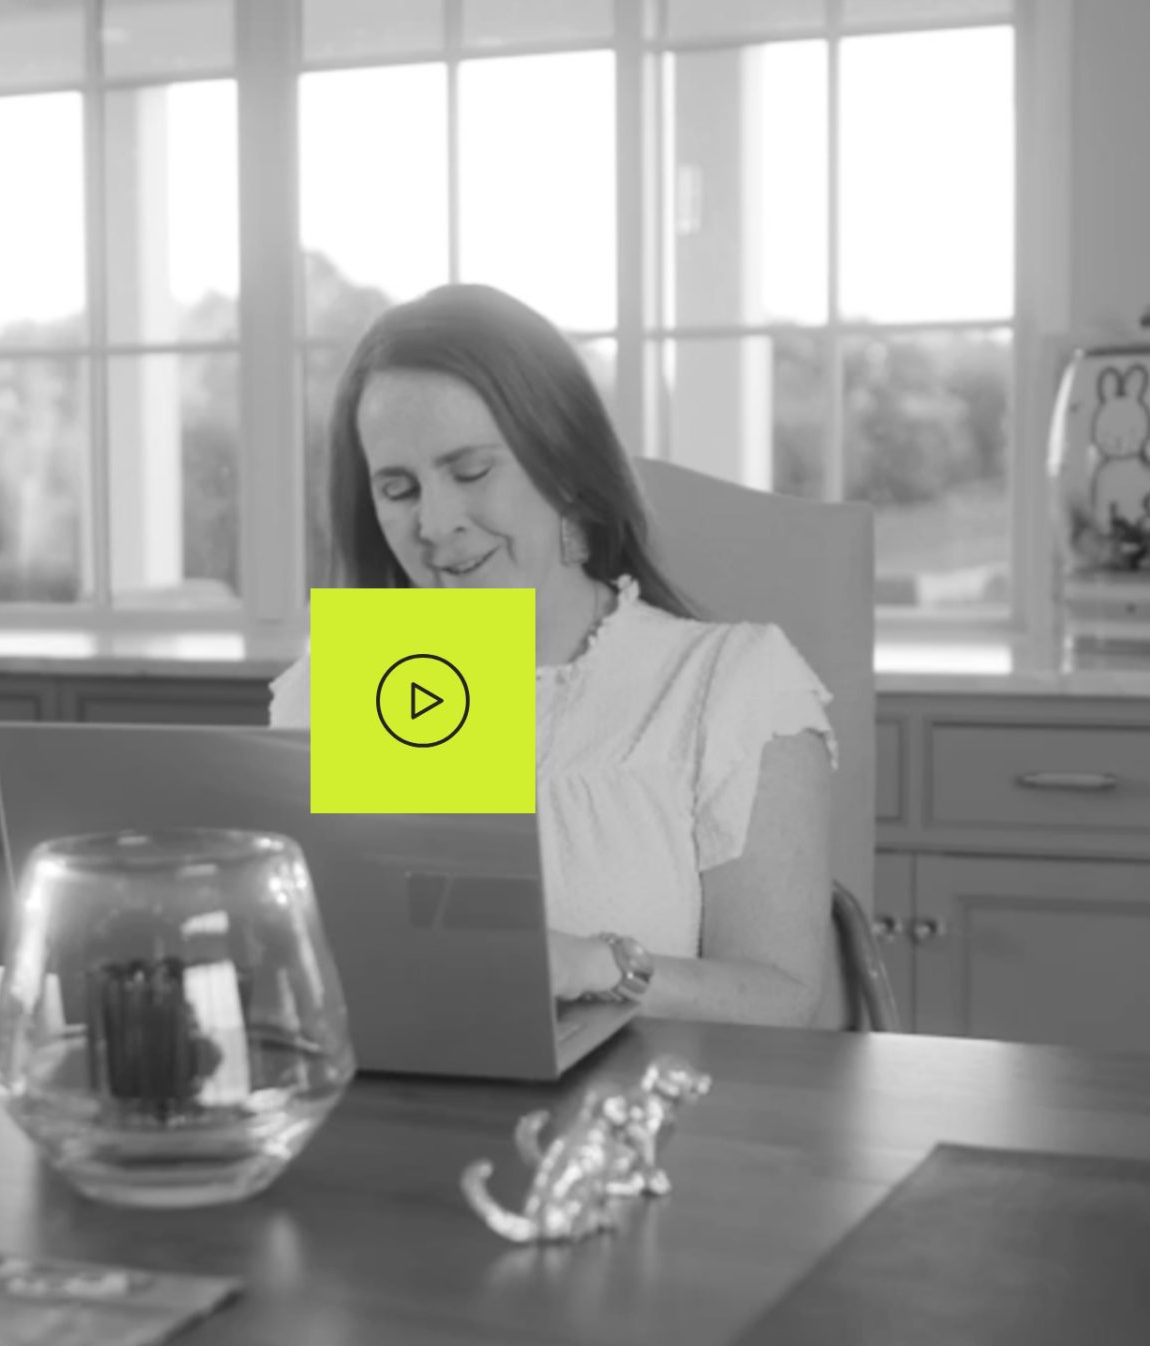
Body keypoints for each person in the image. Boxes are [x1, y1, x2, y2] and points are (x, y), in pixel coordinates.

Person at [268, 284, 845, 1028]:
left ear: (566, 466)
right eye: (398, 488)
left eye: (472, 472)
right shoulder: (351, 683)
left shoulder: (730, 684)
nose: (437, 524)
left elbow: (785, 997)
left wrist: (594, 966)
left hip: (655, 1127)